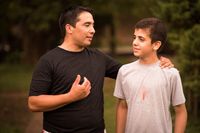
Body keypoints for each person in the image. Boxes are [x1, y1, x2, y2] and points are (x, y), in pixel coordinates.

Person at [28, 5, 173, 133]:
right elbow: (33, 103)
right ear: (69, 28)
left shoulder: (98, 57)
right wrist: (70, 97)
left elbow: (131, 72)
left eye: (93, 25)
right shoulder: (48, 60)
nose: (93, 30)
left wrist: (157, 61)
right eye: (87, 25)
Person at [114, 17, 187, 133]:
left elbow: (181, 111)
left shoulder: (171, 74)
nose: (134, 42)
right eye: (134, 37)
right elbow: (123, 106)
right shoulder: (124, 71)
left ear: (156, 45)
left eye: (141, 39)